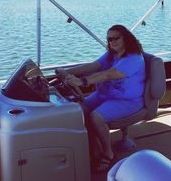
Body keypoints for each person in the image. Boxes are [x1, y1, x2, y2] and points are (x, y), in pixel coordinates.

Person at [58, 24, 145, 172]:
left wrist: (82, 81)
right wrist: (65, 71)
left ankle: (108, 153)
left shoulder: (134, 58)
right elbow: (93, 66)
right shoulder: (111, 54)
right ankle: (94, 146)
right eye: (109, 39)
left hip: (127, 101)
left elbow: (108, 74)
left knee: (96, 116)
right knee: (78, 110)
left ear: (126, 38)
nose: (112, 42)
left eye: (116, 38)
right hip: (104, 94)